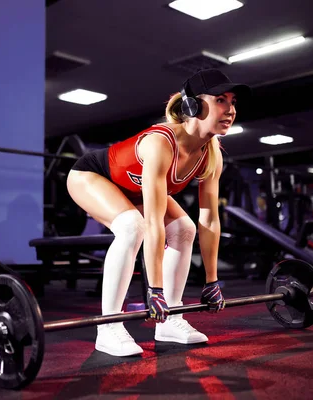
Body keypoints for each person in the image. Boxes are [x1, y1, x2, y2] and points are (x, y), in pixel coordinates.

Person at [66, 68, 251, 357]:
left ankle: (170, 321)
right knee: (132, 227)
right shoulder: (161, 143)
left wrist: (212, 280)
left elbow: (209, 219)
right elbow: (152, 222)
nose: (231, 110)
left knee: (185, 229)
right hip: (90, 176)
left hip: (132, 188)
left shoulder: (211, 154)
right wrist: (155, 290)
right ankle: (108, 326)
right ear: (193, 106)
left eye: (233, 101)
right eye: (221, 100)